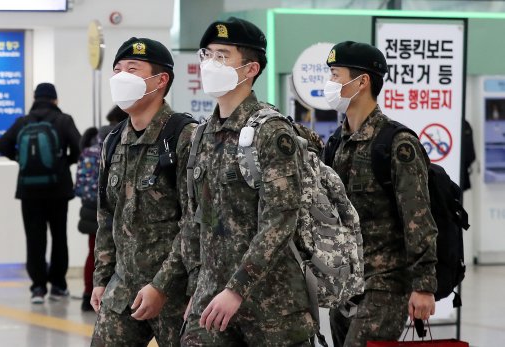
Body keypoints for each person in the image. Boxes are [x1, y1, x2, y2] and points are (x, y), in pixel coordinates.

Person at [179, 17, 315, 346]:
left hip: (271, 309)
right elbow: (196, 221)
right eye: (206, 55)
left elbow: (280, 220)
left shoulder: (271, 131)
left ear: (250, 68)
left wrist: (236, 288)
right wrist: (196, 288)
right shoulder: (201, 135)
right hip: (210, 301)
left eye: (222, 56)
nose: (210, 64)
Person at [321, 41, 437, 346]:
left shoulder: (397, 144)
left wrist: (423, 286)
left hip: (384, 284)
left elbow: (418, 219)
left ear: (362, 82)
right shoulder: (336, 143)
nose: (330, 82)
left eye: (336, 74)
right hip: (344, 283)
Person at [90, 37, 196, 346]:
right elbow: (106, 216)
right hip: (123, 287)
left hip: (176, 291)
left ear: (161, 80)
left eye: (132, 69)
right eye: (118, 69)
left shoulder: (184, 137)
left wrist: (161, 285)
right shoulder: (113, 142)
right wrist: (101, 279)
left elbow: (195, 223)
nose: (121, 76)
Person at [0, 82, 81, 304]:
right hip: (58, 189)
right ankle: (58, 286)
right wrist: (63, 163)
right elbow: (79, 148)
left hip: (28, 189)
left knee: (34, 238)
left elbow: (1, 144)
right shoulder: (64, 120)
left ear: (35, 98)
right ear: (55, 100)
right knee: (58, 236)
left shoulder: (23, 121)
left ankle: (37, 288)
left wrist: (20, 160)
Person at [75, 107, 128, 312]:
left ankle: (88, 294)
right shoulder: (119, 142)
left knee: (94, 252)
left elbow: (79, 184)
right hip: (115, 209)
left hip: (89, 208)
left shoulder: (90, 145)